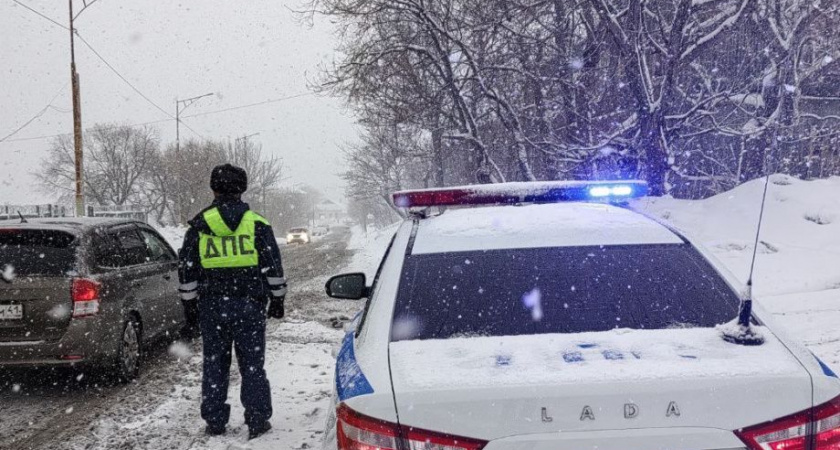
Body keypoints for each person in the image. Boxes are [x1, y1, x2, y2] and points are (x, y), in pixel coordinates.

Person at [178, 163, 287, 440]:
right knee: (252, 365)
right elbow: (273, 266)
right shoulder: (257, 225)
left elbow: (187, 270)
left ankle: (215, 421)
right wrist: (277, 298)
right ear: (243, 188)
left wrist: (190, 306)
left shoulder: (199, 226)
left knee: (215, 364)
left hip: (212, 308)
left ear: (213, 189)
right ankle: (258, 419)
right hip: (250, 306)